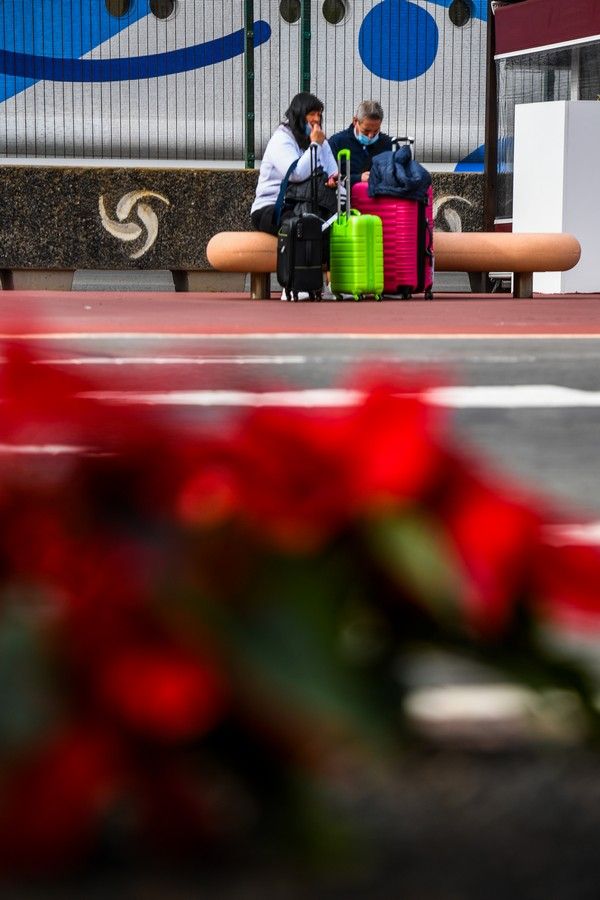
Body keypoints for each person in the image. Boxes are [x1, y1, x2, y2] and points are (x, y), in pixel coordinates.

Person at [251, 92, 338, 237]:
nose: (317, 119)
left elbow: (333, 174)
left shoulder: (322, 142)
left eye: (319, 114)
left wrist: (333, 181)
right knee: (300, 228)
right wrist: (315, 144)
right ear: (299, 115)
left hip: (312, 206)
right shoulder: (281, 139)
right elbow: (295, 174)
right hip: (272, 207)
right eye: (312, 114)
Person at [328, 100, 393, 187]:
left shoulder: (389, 144)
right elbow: (329, 178)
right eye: (366, 131)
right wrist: (358, 178)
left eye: (376, 131)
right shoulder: (337, 142)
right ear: (355, 121)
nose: (370, 136)